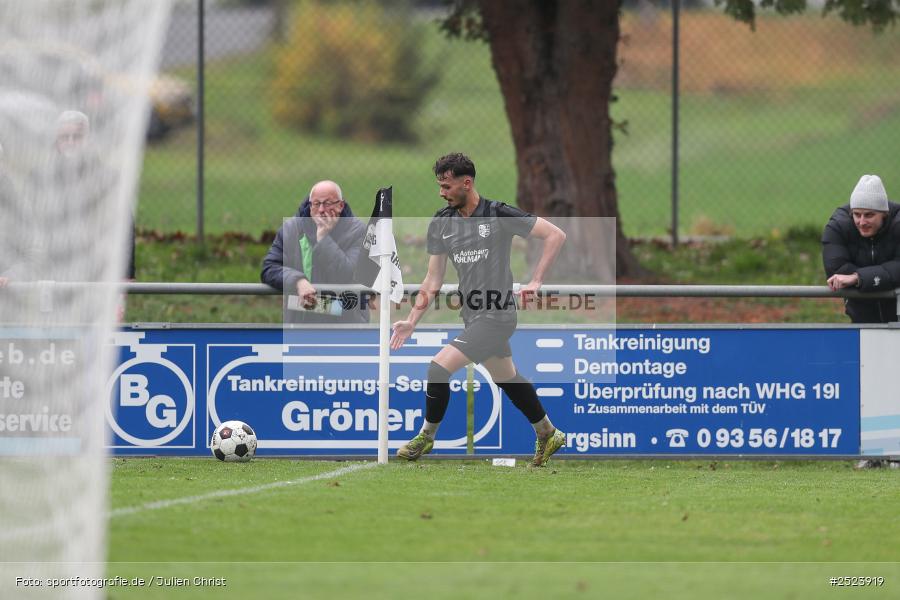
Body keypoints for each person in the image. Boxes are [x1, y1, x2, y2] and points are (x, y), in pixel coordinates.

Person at [391, 152, 568, 467]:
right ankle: (548, 432)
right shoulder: (442, 222)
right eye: (439, 185)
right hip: (473, 316)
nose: (441, 192)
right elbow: (433, 279)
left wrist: (536, 280)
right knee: (507, 378)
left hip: (498, 315)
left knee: (438, 368)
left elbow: (555, 235)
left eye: (446, 186)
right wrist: (412, 320)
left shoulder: (498, 213)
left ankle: (426, 437)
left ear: (467, 183)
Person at [822, 174, 900, 470]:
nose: (861, 222)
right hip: (862, 316)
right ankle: (872, 451)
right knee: (868, 382)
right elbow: (835, 268)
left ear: (884, 214)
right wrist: (874, 278)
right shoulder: (837, 225)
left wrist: (858, 277)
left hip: (897, 313)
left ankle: (895, 452)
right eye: (857, 214)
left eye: (869, 215)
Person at [261, 180, 369, 323]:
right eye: (316, 204)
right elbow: (269, 268)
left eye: (328, 203)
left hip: (346, 324)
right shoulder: (291, 229)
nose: (321, 210)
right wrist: (298, 281)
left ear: (340, 205)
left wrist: (323, 239)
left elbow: (347, 274)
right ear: (310, 205)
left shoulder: (359, 232)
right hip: (301, 323)